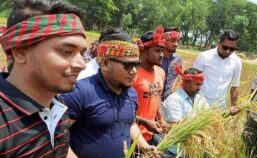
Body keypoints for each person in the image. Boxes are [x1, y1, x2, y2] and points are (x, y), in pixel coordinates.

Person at [0, 0, 87, 157]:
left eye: (82, 53)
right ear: (20, 52)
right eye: (66, 51)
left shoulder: (57, 106)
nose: (82, 64)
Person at [61, 29, 159, 158]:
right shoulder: (79, 92)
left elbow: (130, 123)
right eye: (128, 65)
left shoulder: (131, 94)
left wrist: (143, 145)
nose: (134, 71)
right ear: (105, 63)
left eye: (136, 64)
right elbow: (57, 136)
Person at [193, 30, 242, 113]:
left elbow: (234, 86)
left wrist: (234, 106)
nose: (228, 51)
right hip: (199, 106)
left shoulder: (236, 62)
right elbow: (192, 80)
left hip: (219, 109)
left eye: (232, 49)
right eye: (225, 47)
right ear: (219, 43)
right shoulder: (205, 56)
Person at [135, 26, 167, 145]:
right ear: (143, 51)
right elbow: (122, 111)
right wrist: (145, 122)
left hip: (151, 133)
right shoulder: (133, 75)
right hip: (133, 136)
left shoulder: (161, 72)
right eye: (157, 50)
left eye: (162, 50)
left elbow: (156, 98)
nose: (161, 54)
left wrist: (161, 118)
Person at [161, 27, 183, 101]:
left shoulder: (178, 59)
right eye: (173, 41)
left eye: (177, 41)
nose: (176, 44)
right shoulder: (156, 58)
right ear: (164, 40)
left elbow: (178, 76)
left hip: (169, 100)